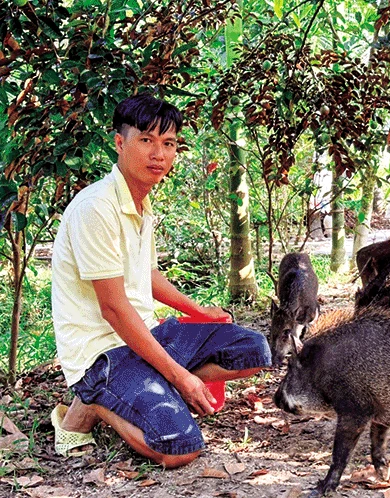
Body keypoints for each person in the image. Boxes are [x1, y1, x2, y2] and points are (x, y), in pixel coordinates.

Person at [50, 93, 271, 467]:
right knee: (180, 448)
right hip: (103, 352)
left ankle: (145, 389)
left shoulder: (141, 202)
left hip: (146, 334)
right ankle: (93, 402)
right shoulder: (95, 208)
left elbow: (146, 274)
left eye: (168, 144)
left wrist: (198, 309)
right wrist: (182, 379)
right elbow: (114, 310)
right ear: (120, 143)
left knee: (254, 350)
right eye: (146, 140)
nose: (159, 154)